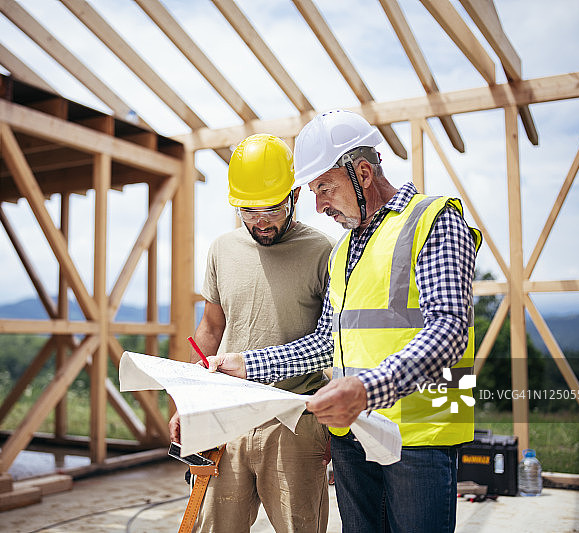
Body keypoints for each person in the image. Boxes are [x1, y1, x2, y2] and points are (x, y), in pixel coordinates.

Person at [206, 110, 483, 533]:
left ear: (364, 173)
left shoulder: (433, 219)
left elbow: (448, 329)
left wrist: (365, 389)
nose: (318, 205)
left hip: (421, 437)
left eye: (325, 189)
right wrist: (247, 364)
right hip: (356, 433)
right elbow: (325, 341)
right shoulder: (344, 251)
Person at [169, 134, 334, 533]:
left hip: (293, 421)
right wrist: (190, 402)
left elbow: (332, 344)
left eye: (272, 209)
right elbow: (211, 328)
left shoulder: (325, 252)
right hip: (226, 419)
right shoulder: (222, 249)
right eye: (249, 210)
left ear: (294, 194)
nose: (260, 221)